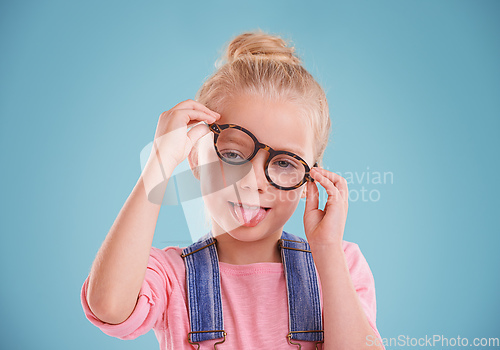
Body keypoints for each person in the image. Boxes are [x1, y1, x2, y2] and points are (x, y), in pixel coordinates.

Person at [80, 29, 386, 350]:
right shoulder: (172, 277)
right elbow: (109, 306)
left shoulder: (340, 263)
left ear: (310, 178)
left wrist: (327, 251)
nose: (254, 182)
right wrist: (158, 165)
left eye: (284, 163)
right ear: (196, 158)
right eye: (233, 154)